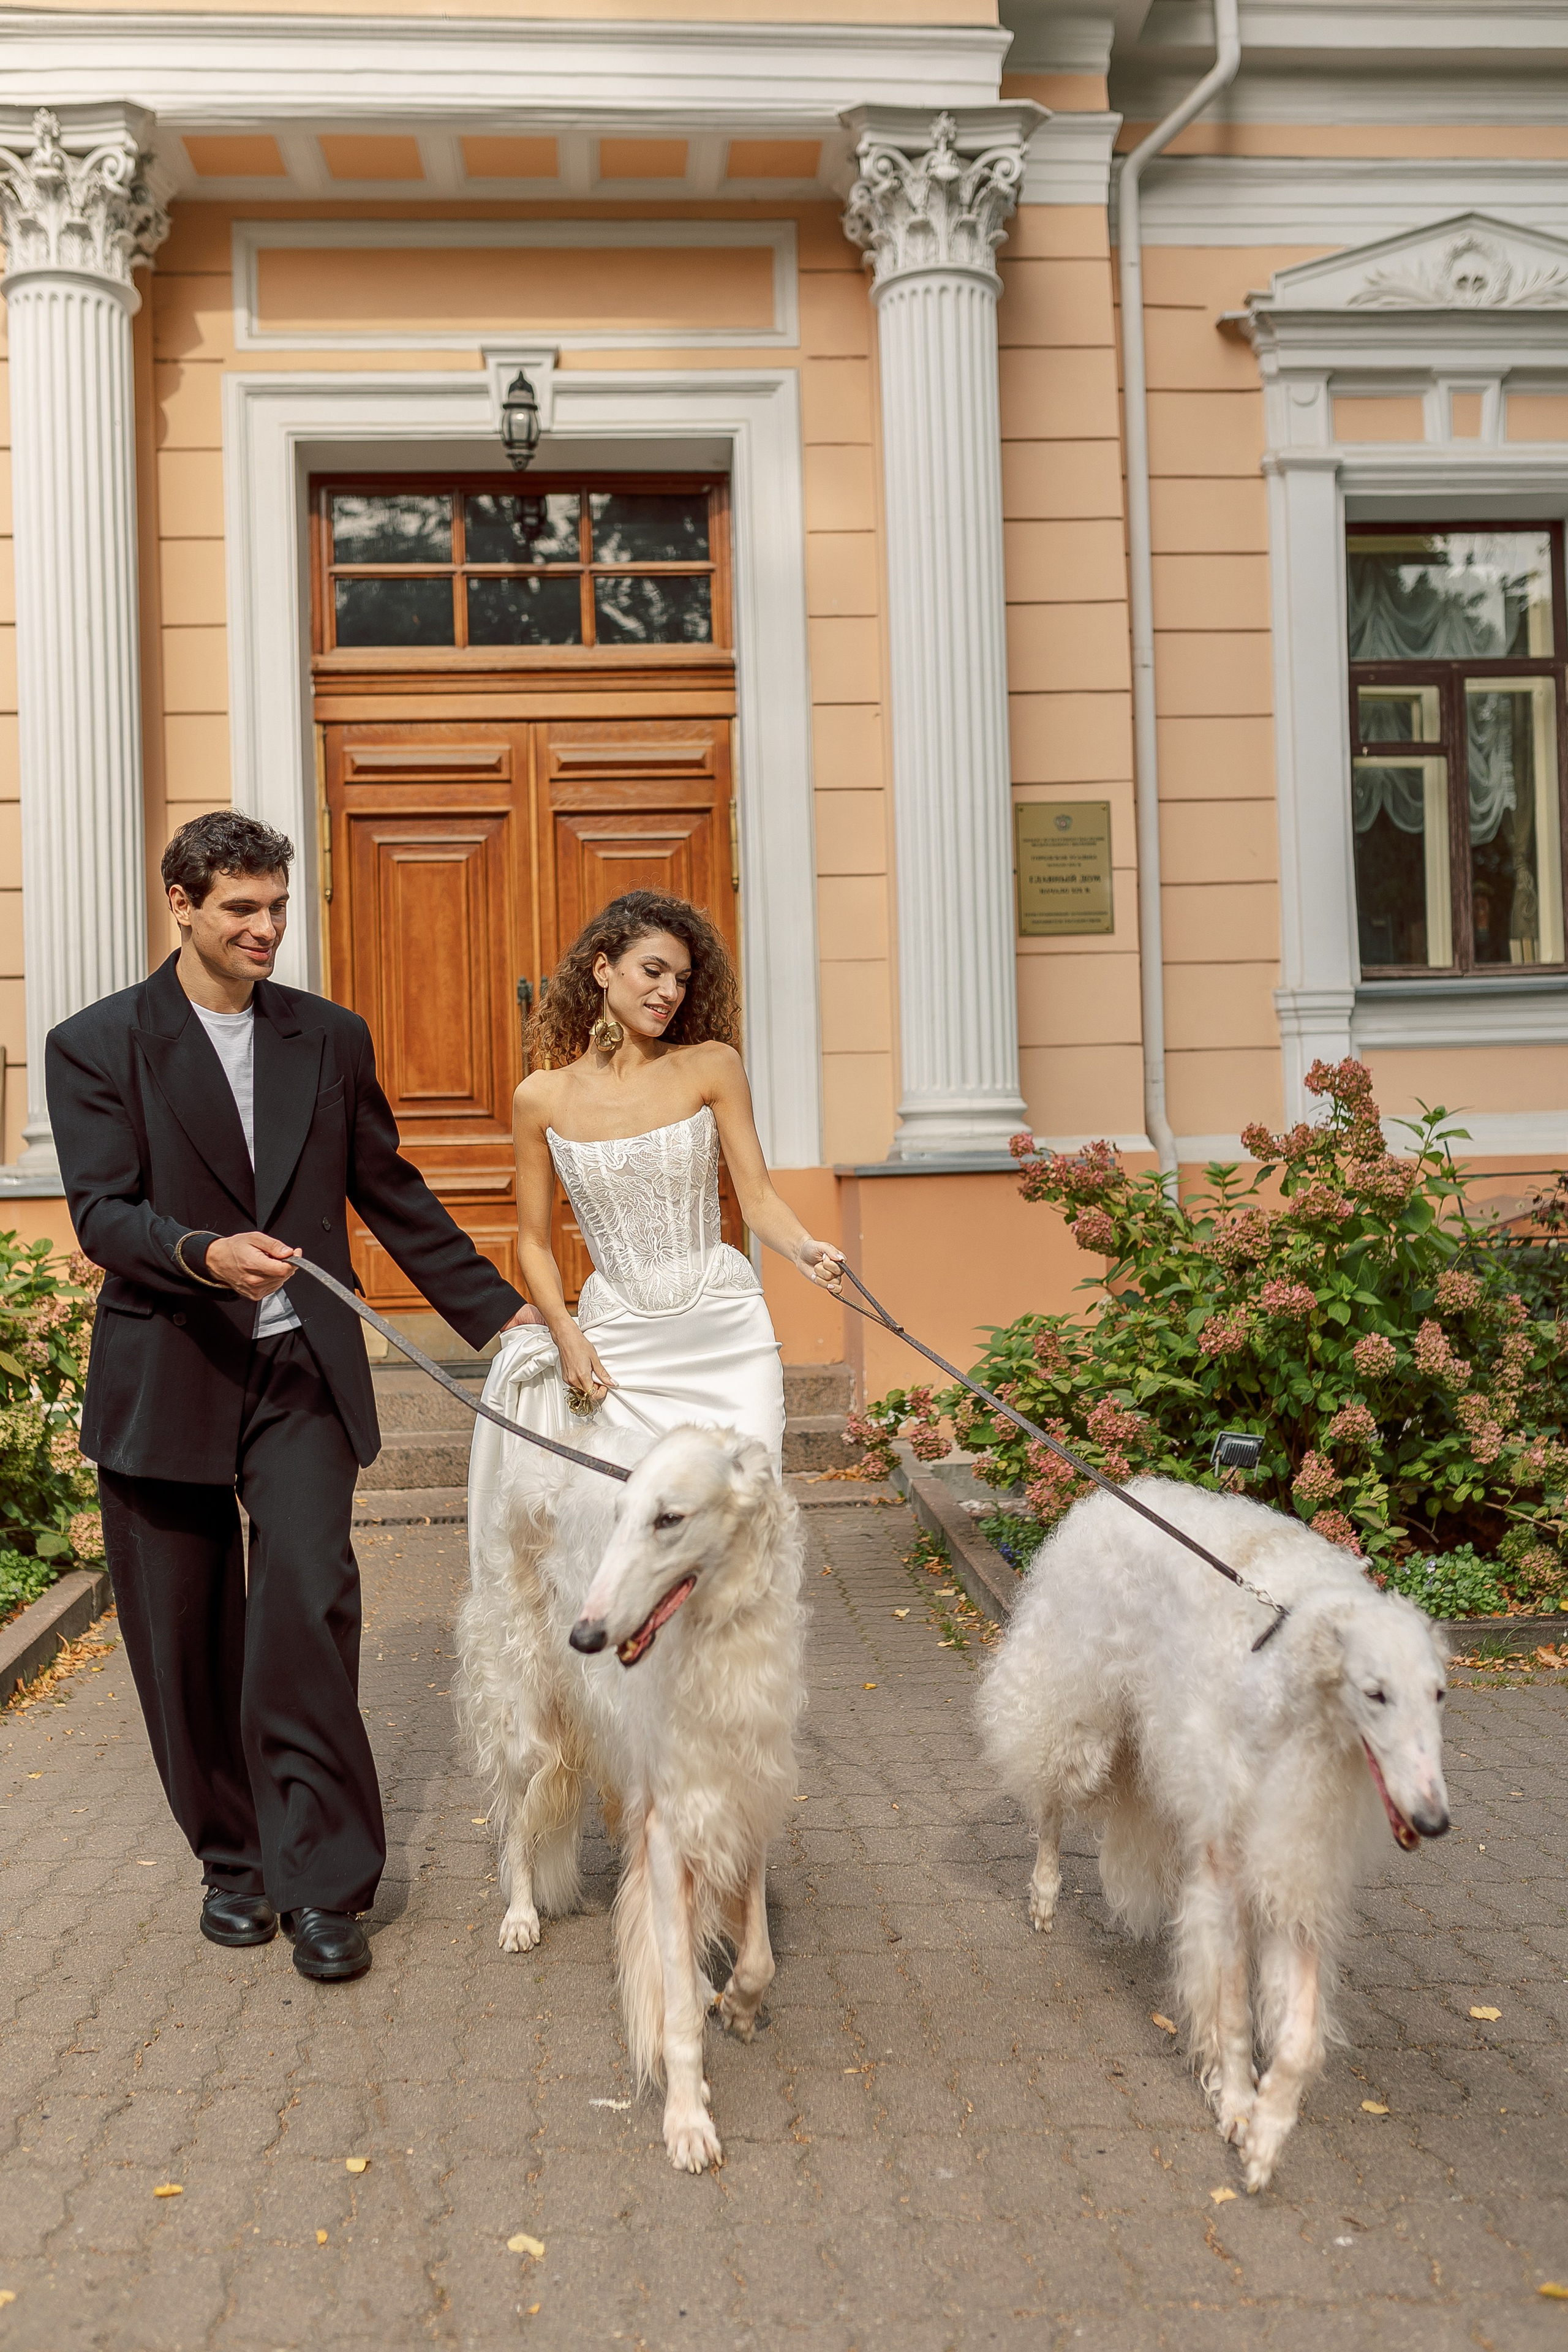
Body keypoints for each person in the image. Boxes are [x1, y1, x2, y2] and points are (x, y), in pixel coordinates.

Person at [45, 812, 537, 1983]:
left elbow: (388, 1188)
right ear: (181, 902)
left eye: (278, 906)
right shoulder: (97, 1042)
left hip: (301, 1372)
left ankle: (323, 1884)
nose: (267, 929)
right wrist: (201, 1252)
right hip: (167, 1367)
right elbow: (102, 1212)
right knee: (185, 1636)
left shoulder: (329, 1036)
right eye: (241, 910)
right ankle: (234, 1862)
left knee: (307, 1607)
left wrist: (500, 1315)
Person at [477, 891, 843, 1488]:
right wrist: (566, 1334)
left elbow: (757, 1200)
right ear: (603, 969)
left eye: (680, 979)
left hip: (725, 1332)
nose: (669, 992)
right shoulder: (539, 1098)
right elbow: (533, 1244)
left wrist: (805, 1249)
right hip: (620, 1343)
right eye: (653, 971)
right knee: (638, 1526)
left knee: (743, 1506)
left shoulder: (711, 1066)